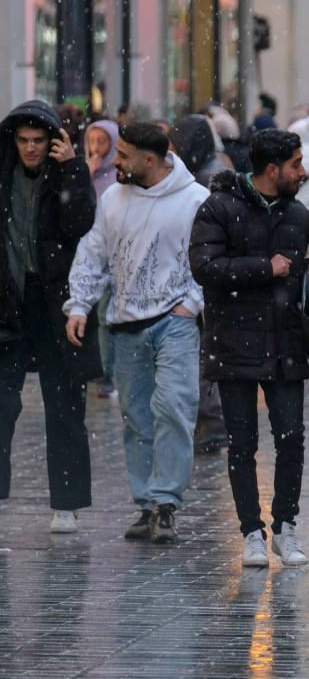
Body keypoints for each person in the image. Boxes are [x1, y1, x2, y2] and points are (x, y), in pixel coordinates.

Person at [64, 122, 208, 542]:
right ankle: (146, 505)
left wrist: (190, 305)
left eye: (123, 155)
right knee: (136, 418)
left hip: (175, 322)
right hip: (126, 323)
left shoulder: (196, 199)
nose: (116, 162)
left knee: (175, 409)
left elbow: (211, 255)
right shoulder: (113, 198)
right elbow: (94, 252)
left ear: (151, 160)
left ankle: (166, 504)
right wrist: (79, 305)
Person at [188, 129, 309, 566]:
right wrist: (266, 267)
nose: (303, 171)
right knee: (242, 443)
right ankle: (250, 532)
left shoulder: (300, 216)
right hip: (234, 342)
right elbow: (205, 267)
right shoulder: (219, 208)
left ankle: (285, 527)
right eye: (296, 164)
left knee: (292, 438)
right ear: (272, 170)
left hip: (286, 344)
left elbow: (307, 265)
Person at [0, 100, 98, 533]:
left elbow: (81, 223)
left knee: (65, 405)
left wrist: (74, 168)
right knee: (2, 404)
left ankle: (66, 503)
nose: (31, 148)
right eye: (23, 141)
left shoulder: (64, 174)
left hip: (55, 301)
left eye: (39, 140)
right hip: (8, 300)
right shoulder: (3, 175)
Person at [169, 114, 232, 454]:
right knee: (206, 352)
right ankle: (210, 421)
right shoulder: (206, 170)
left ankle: (210, 422)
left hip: (206, 277)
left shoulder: (207, 177)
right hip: (205, 274)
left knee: (206, 354)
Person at [84, 119, 120, 398]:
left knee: (107, 315)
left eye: (102, 141)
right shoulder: (83, 172)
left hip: (114, 254)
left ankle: (108, 371)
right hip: (89, 254)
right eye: (92, 140)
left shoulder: (118, 176)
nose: (96, 147)